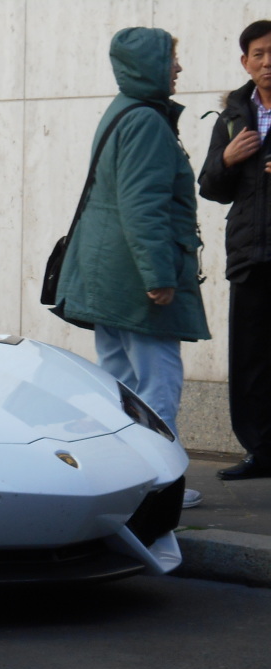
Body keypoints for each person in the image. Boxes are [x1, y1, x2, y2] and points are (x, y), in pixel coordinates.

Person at [55, 27, 209, 508]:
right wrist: (159, 276)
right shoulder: (146, 121)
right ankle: (160, 485)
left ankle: (124, 481)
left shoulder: (124, 110)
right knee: (156, 382)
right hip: (134, 280)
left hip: (108, 278)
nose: (179, 68)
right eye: (172, 59)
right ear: (149, 65)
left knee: (118, 385)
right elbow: (143, 206)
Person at [198, 20, 271, 481]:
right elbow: (210, 186)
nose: (268, 63)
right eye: (259, 54)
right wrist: (227, 160)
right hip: (250, 256)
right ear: (245, 62)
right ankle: (261, 452)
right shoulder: (232, 116)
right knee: (251, 363)